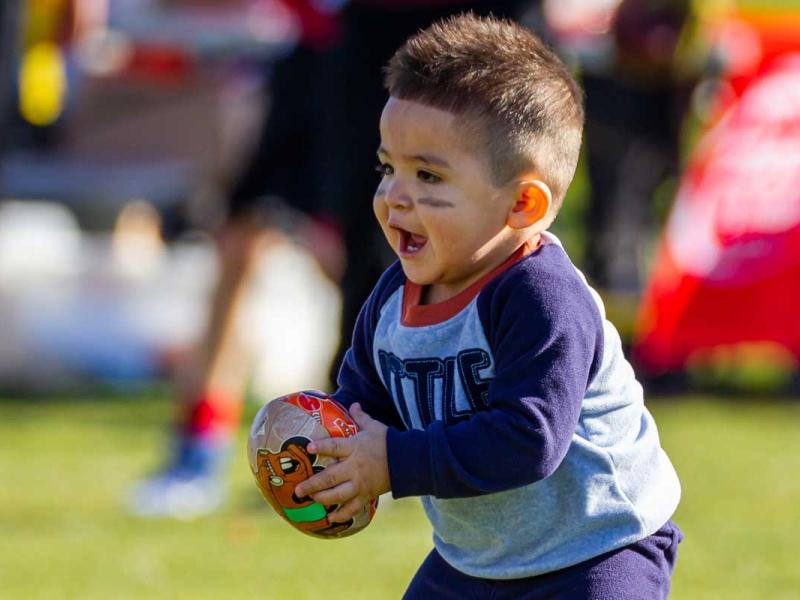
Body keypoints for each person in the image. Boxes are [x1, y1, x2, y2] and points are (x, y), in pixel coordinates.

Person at [294, 14, 683, 598]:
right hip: (476, 561)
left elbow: (528, 440)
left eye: (427, 175)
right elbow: (366, 401)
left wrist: (393, 463)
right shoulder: (392, 296)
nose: (395, 196)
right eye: (387, 167)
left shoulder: (541, 296)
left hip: (597, 547)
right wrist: (327, 449)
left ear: (523, 204)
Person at [130, 0, 534, 518]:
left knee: (401, 253)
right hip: (339, 40)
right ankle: (199, 449)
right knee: (244, 229)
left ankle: (400, 441)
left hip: (465, 32)